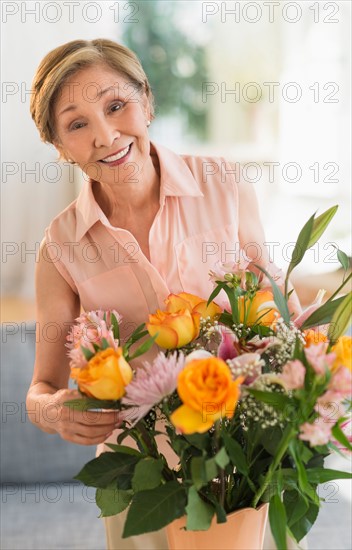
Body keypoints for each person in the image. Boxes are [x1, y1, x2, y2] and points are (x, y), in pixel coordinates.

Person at [26, 39, 302, 550]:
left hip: (248, 462)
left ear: (147, 101)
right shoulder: (60, 246)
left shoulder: (224, 184)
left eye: (116, 105)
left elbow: (274, 303)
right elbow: (40, 387)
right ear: (59, 146)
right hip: (143, 473)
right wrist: (54, 411)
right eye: (77, 123)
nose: (106, 136)